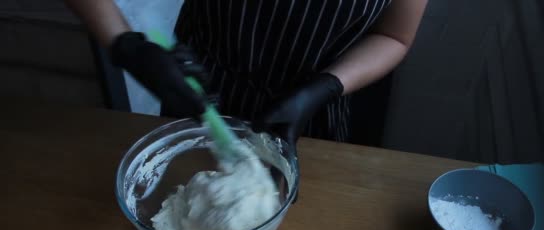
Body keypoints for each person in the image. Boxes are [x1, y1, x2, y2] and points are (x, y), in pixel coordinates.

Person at [65, 0, 427, 145]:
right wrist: (125, 44)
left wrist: (326, 87)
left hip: (309, 120)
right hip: (200, 96)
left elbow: (393, 35)